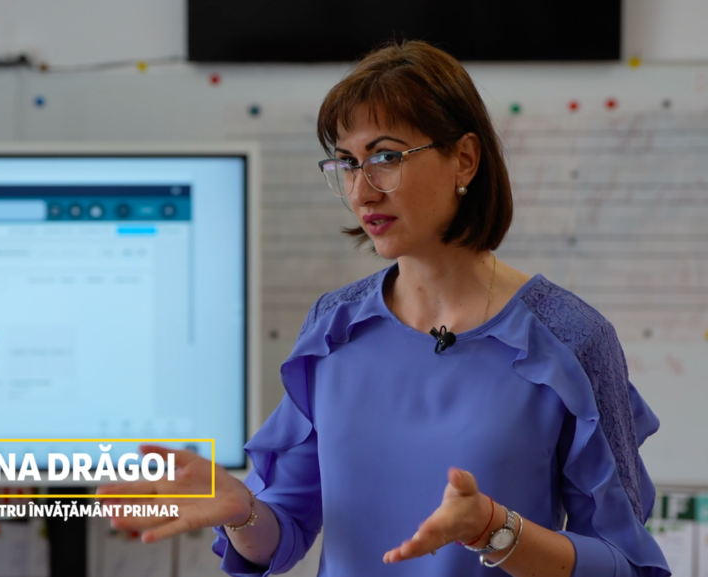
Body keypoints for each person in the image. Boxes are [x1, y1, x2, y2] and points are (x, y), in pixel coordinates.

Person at [97, 40, 671, 576]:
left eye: (385, 156)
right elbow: (282, 531)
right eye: (347, 163)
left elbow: (624, 562)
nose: (361, 190)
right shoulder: (334, 327)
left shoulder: (569, 336)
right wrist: (241, 510)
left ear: (464, 159)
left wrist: (496, 531)